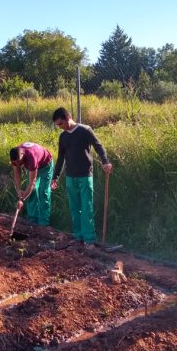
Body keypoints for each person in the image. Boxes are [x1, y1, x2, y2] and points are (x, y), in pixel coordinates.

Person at [51, 107, 112, 250]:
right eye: (57, 125)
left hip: (85, 175)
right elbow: (60, 158)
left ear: (67, 118)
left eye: (60, 124)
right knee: (74, 208)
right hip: (70, 177)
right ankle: (78, 237)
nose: (60, 127)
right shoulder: (63, 136)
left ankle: (89, 239)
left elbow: (98, 146)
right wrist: (55, 177)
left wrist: (105, 161)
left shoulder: (85, 130)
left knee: (86, 207)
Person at [10, 142, 54, 226]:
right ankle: (33, 220)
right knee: (32, 192)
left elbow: (32, 183)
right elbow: (17, 173)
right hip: (32, 167)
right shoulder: (15, 156)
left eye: (19, 162)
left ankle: (44, 222)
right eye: (15, 163)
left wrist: (22, 200)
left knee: (43, 192)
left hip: (46, 165)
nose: (18, 164)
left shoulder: (31, 157)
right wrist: (18, 190)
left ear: (22, 154)